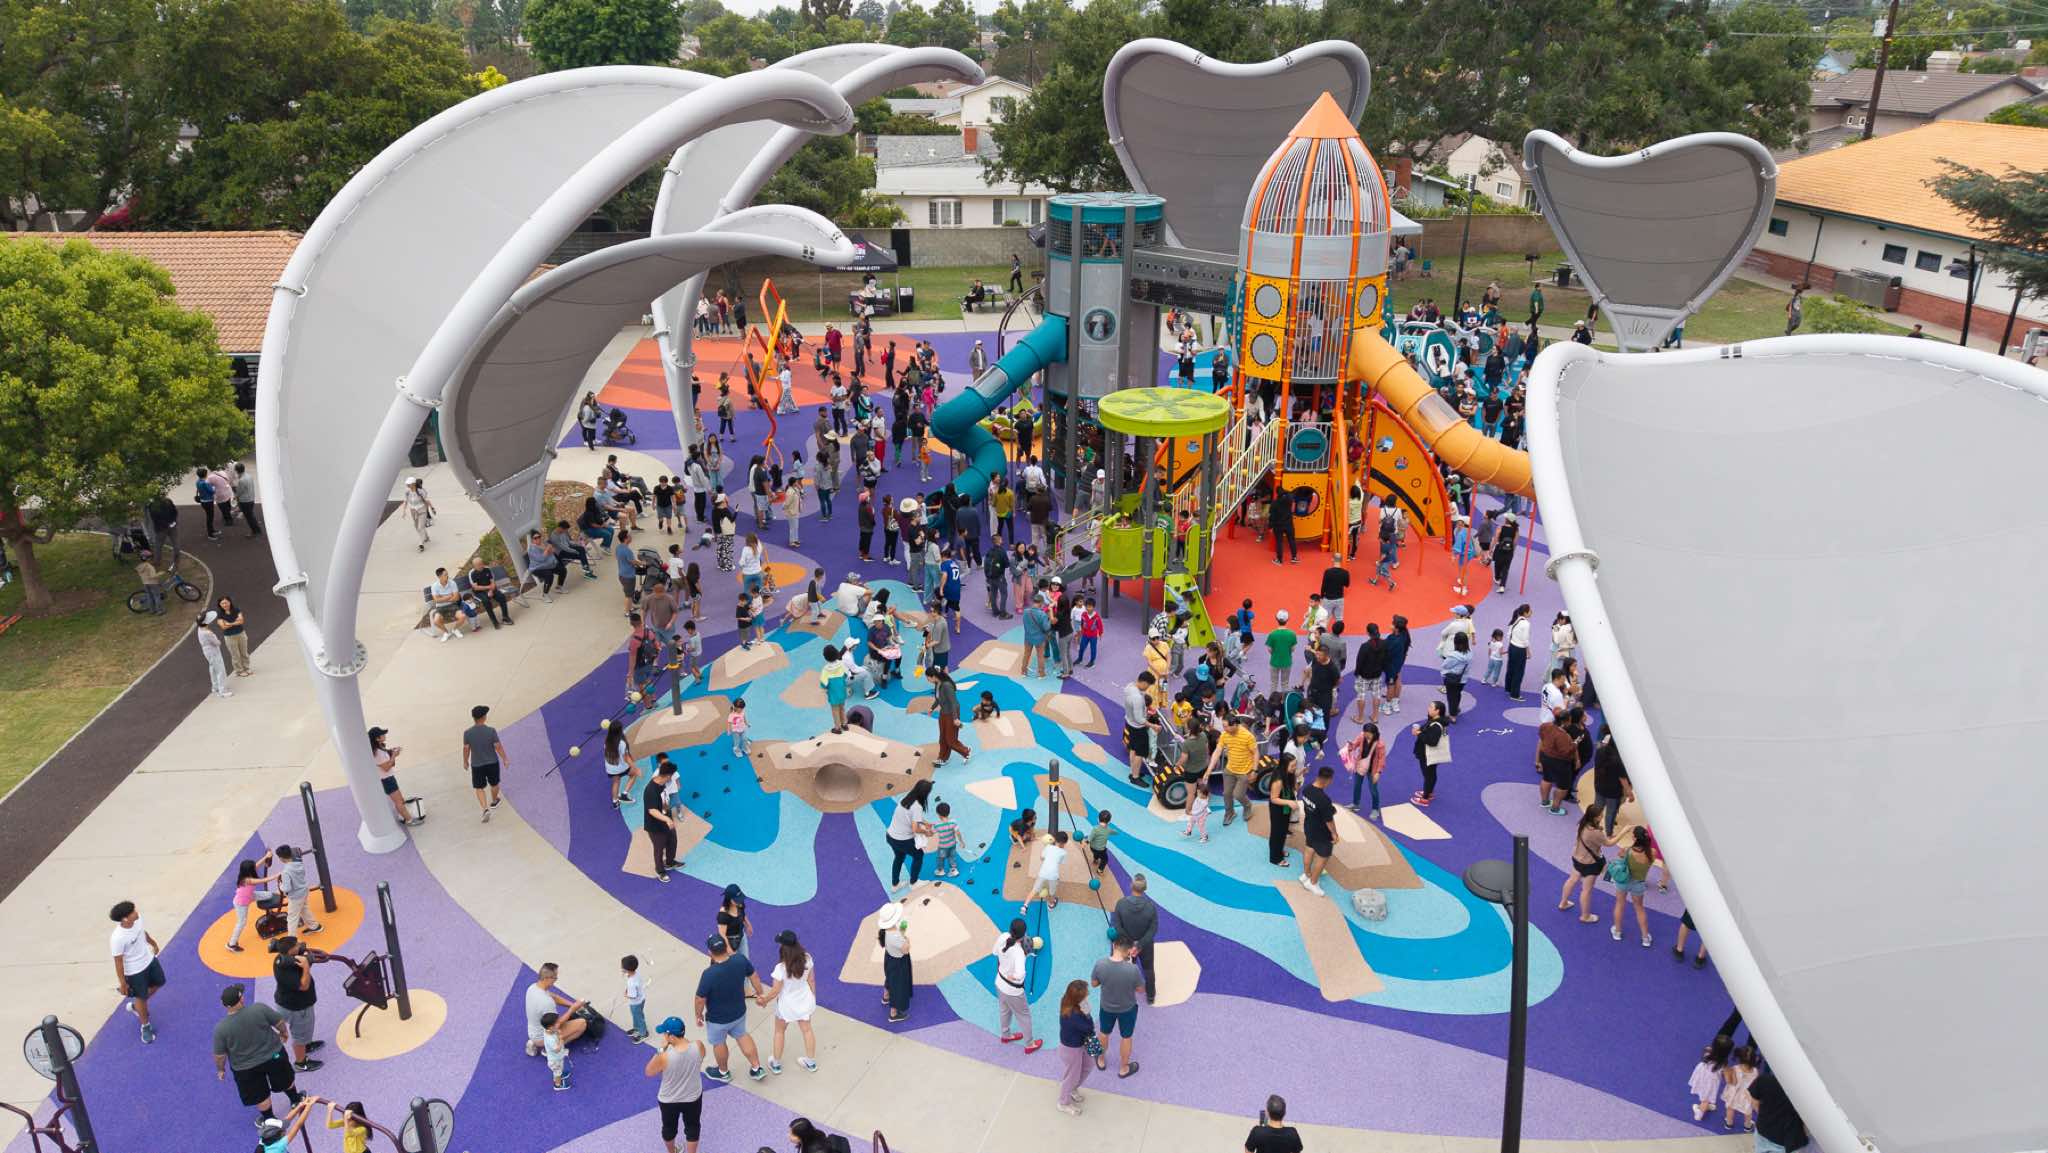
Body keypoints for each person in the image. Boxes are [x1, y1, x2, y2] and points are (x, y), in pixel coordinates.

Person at [213, 983, 301, 1122]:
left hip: (245, 1069)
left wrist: (221, 1069)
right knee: (285, 1078)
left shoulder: (221, 1029)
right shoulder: (259, 1009)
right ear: (241, 999)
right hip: (274, 1056)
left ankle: (270, 1120)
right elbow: (279, 1022)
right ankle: (296, 1100)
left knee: (259, 1095)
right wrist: (283, 1033)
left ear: (224, 1005)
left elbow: (220, 1055)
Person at [692, 935, 766, 1082]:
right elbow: (754, 977)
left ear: (710, 952)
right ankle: (757, 1068)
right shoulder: (740, 960)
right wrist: (760, 994)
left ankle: (723, 1072)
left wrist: (698, 1015)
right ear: (726, 947)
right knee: (742, 1035)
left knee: (719, 1043)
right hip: (739, 1012)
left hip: (717, 1019)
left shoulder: (709, 974)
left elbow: (700, 999)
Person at [758, 930, 818, 1073]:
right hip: (805, 1000)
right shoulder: (807, 958)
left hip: (786, 1006)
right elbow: (811, 980)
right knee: (807, 1030)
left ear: (783, 947)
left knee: (779, 1032)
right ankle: (811, 1063)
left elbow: (775, 991)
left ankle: (776, 1064)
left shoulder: (780, 968)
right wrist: (813, 997)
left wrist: (764, 1000)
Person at [646, 1017, 707, 1153]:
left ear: (671, 1037)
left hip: (669, 1100)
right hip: (693, 1096)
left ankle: (672, 1151)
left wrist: (661, 1049)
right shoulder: (698, 1045)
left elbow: (649, 1071)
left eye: (665, 1034)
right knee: (693, 1127)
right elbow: (701, 1057)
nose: (664, 1036)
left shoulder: (665, 1056)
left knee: (669, 1128)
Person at [109, 901, 164, 1043]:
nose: (136, 912)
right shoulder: (117, 938)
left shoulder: (138, 920)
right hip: (135, 971)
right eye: (133, 912)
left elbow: (142, 933)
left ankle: (137, 1007)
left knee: (159, 983)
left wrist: (153, 943)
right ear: (125, 919)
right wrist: (123, 983)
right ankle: (145, 1026)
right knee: (141, 997)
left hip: (149, 960)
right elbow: (118, 961)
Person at [1089, 936, 1143, 1079]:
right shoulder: (1133, 969)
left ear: (1114, 945)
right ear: (1129, 951)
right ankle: (1124, 1068)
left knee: (1104, 1033)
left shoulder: (1100, 964)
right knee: (1126, 1037)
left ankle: (1101, 1060)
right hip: (1128, 1009)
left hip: (1106, 1007)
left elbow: (1094, 984)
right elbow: (1140, 990)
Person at [268, 936, 324, 1071]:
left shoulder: (284, 959)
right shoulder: (285, 970)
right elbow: (304, 986)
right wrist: (306, 966)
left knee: (305, 1030)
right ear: (290, 951)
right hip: (296, 1009)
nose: (300, 945)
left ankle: (306, 1045)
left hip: (292, 1003)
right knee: (300, 1035)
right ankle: (301, 1063)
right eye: (296, 945)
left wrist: (306, 959)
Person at [1110, 874, 1160, 1004]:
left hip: (1125, 945)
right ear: (1145, 888)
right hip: (1145, 945)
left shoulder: (1121, 904)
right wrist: (1139, 945)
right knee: (1148, 969)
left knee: (1123, 968)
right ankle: (1151, 996)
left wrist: (1131, 944)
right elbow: (1153, 929)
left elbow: (1117, 926)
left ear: (1131, 886)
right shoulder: (1151, 907)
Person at [1208, 712, 1259, 826]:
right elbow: (1217, 751)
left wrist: (1254, 770)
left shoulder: (1247, 736)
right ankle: (1230, 813)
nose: (1224, 729)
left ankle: (1247, 806)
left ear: (1235, 725)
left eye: (1226, 726)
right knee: (1226, 794)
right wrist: (1209, 770)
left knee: (1238, 795)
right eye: (1223, 726)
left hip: (1244, 771)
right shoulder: (1225, 735)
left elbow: (1256, 753)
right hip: (1230, 769)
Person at [1054, 979, 1096, 1116]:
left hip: (1080, 1043)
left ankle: (1073, 1088)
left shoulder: (1067, 1001)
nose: (1088, 993)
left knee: (1088, 1065)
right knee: (1071, 1076)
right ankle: (1063, 1102)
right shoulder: (1074, 1016)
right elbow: (1089, 1028)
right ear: (1078, 998)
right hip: (1071, 1049)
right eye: (1085, 993)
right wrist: (1088, 1014)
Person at [885, 779, 934, 893]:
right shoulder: (917, 807)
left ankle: (895, 884)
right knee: (918, 855)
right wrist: (926, 832)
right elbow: (915, 828)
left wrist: (925, 822)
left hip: (890, 836)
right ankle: (914, 882)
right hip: (902, 840)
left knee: (899, 857)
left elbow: (911, 816)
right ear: (925, 793)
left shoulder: (906, 799)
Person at [1611, 826, 1655, 946]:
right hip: (1639, 884)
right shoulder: (1652, 853)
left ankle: (1617, 932)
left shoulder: (1627, 851)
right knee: (1639, 908)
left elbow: (1619, 859)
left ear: (1635, 838)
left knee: (1620, 904)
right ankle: (1645, 938)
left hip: (1623, 882)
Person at [1298, 766, 1340, 894]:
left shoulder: (1306, 789)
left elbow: (1315, 807)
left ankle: (1306, 874)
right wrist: (1334, 834)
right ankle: (1313, 883)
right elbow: (1329, 820)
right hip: (1321, 832)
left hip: (1309, 826)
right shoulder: (1324, 800)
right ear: (1328, 780)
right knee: (1323, 857)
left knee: (1309, 849)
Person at [463, 704, 506, 822]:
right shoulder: (491, 731)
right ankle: (494, 800)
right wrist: (504, 758)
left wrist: (465, 761)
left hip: (477, 765)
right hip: (492, 762)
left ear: (474, 718)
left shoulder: (467, 733)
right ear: (484, 717)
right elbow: (497, 746)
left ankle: (485, 809)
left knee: (479, 787)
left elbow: (466, 748)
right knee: (494, 783)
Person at [876, 901, 913, 1022]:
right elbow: (905, 950)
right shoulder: (895, 937)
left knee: (890, 979)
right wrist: (906, 939)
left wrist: (900, 933)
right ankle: (893, 1013)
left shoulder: (885, 932)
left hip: (889, 958)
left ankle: (886, 996)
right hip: (899, 963)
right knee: (898, 986)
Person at [644, 759, 680, 881]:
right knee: (659, 849)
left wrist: (669, 817)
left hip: (666, 820)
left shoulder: (662, 784)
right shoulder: (650, 790)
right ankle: (660, 870)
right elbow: (652, 810)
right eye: (672, 776)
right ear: (668, 776)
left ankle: (669, 862)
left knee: (672, 841)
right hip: (655, 826)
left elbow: (664, 800)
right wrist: (667, 819)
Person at [1410, 701, 1449, 807]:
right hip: (1431, 754)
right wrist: (1420, 731)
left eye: (1431, 707)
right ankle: (1429, 792)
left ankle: (1425, 798)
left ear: (1437, 711)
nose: (1428, 708)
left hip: (1427, 754)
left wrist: (1418, 733)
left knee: (1428, 775)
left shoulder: (1436, 725)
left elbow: (1432, 741)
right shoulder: (1435, 721)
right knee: (1431, 774)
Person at [1027, 830, 1069, 912]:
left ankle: (1025, 905)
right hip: (1053, 875)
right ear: (1063, 843)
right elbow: (1060, 862)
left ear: (1055, 839)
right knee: (1052, 892)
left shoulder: (1048, 847)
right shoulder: (1064, 852)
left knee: (1034, 889)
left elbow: (1041, 858)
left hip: (1042, 873)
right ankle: (1051, 905)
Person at [196, 610, 232, 698]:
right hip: (213, 652)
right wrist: (218, 641)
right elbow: (216, 643)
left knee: (213, 668)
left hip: (207, 652)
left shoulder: (200, 629)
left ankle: (215, 687)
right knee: (220, 670)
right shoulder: (207, 633)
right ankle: (222, 691)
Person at [215, 595, 252, 677]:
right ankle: (239, 671)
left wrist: (229, 623)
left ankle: (246, 668)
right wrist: (235, 622)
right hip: (230, 637)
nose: (225, 605)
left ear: (230, 602)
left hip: (241, 634)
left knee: (244, 653)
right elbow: (223, 626)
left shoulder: (236, 610)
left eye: (226, 602)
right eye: (222, 603)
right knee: (235, 655)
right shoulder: (220, 614)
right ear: (220, 605)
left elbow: (241, 621)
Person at [1442, 631, 1472, 721]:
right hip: (1463, 679)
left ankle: (1452, 715)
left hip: (1452, 679)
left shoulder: (1454, 656)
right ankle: (1456, 707)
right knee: (1457, 694)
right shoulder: (1469, 653)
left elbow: (1445, 665)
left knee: (1451, 697)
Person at [1266, 609, 1297, 691]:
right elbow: (1293, 649)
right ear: (1287, 619)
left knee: (1273, 683)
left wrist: (1275, 653)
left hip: (1274, 661)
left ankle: (1272, 699)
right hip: (1287, 662)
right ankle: (1285, 699)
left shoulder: (1272, 634)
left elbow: (1269, 649)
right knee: (1285, 683)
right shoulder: (1292, 634)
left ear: (1276, 619)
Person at [1267, 484, 1297, 564]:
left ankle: (1279, 559)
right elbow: (1290, 493)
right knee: (1291, 540)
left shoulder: (1274, 503)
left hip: (1278, 525)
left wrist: (1270, 526)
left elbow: (1271, 516)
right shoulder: (1289, 501)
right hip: (1288, 524)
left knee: (1279, 542)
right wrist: (1285, 492)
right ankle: (1294, 557)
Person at [402, 477, 434, 551]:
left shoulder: (421, 491)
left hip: (422, 510)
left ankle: (421, 544)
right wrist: (404, 511)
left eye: (409, 484)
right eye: (407, 484)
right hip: (413, 511)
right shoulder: (407, 492)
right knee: (417, 526)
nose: (407, 485)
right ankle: (426, 537)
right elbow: (406, 501)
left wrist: (432, 508)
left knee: (420, 527)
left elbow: (427, 500)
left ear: (413, 484)